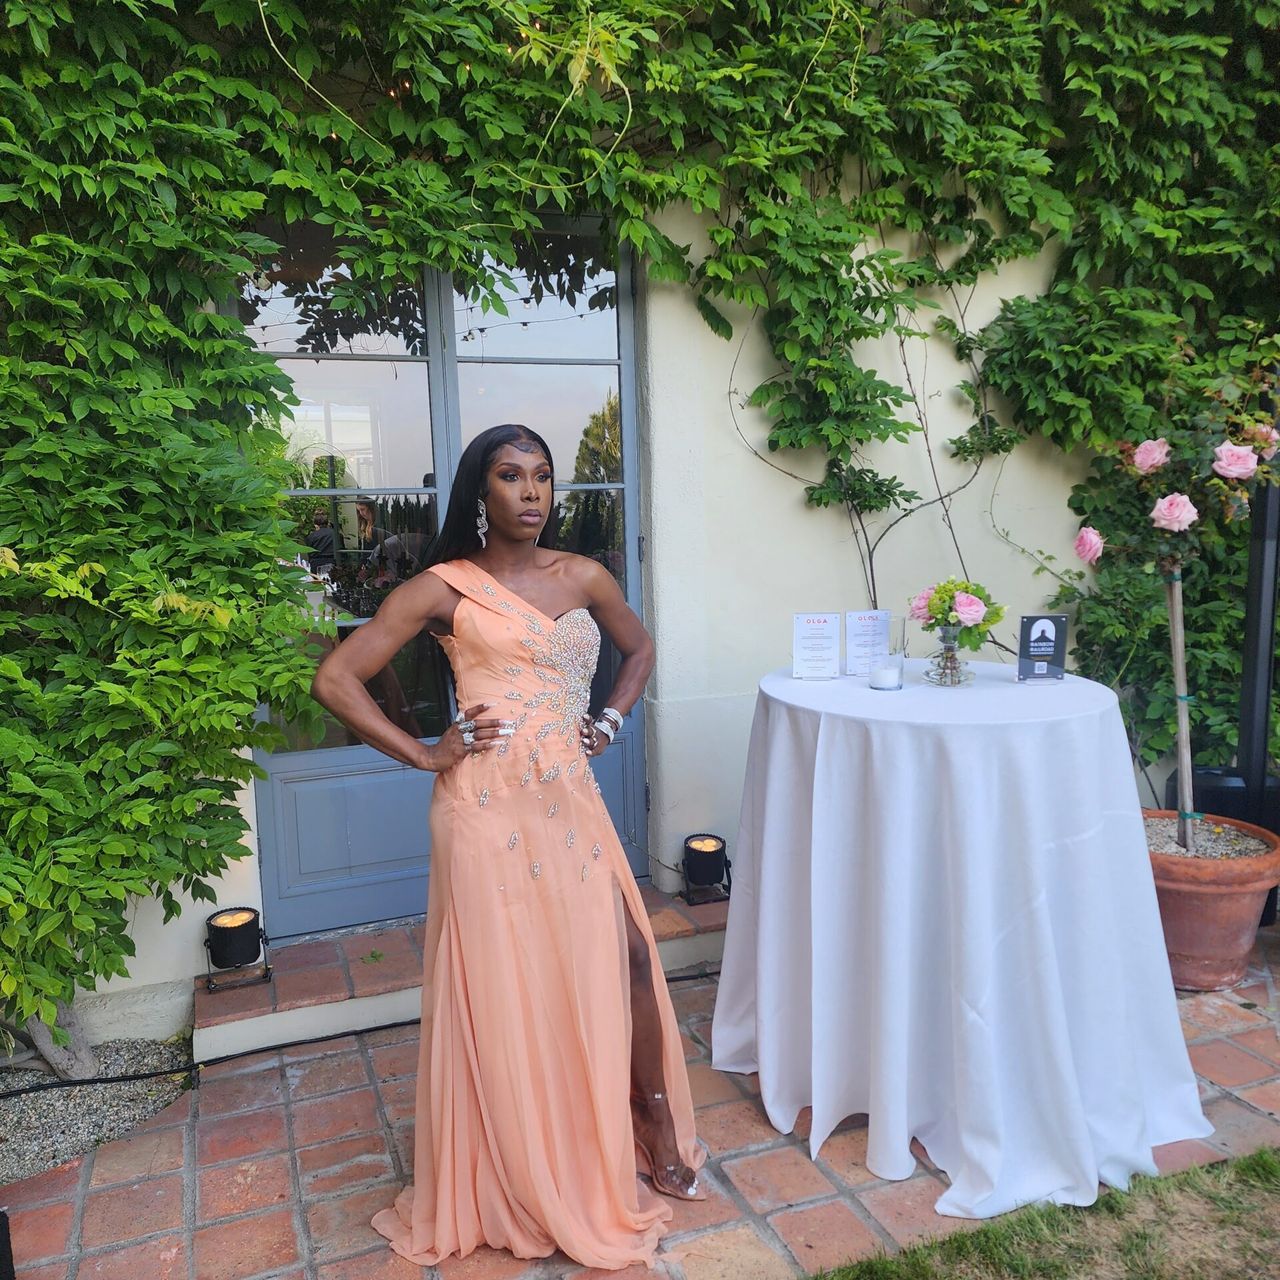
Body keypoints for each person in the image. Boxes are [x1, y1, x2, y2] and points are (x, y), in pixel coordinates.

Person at [311, 424, 703, 1270]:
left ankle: (653, 1120)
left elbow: (638, 649)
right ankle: (528, 1161)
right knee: (509, 982)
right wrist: (423, 752)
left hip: (569, 798)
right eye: (511, 477)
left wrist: (608, 717)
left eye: (542, 478)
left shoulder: (584, 575)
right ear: (479, 494)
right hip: (484, 809)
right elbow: (335, 679)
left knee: (630, 958)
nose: (531, 492)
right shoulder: (442, 588)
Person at [303, 507, 336, 574]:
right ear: (327, 523)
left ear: (315, 525)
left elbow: (310, 554)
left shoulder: (311, 536)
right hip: (334, 564)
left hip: (316, 565)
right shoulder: (336, 534)